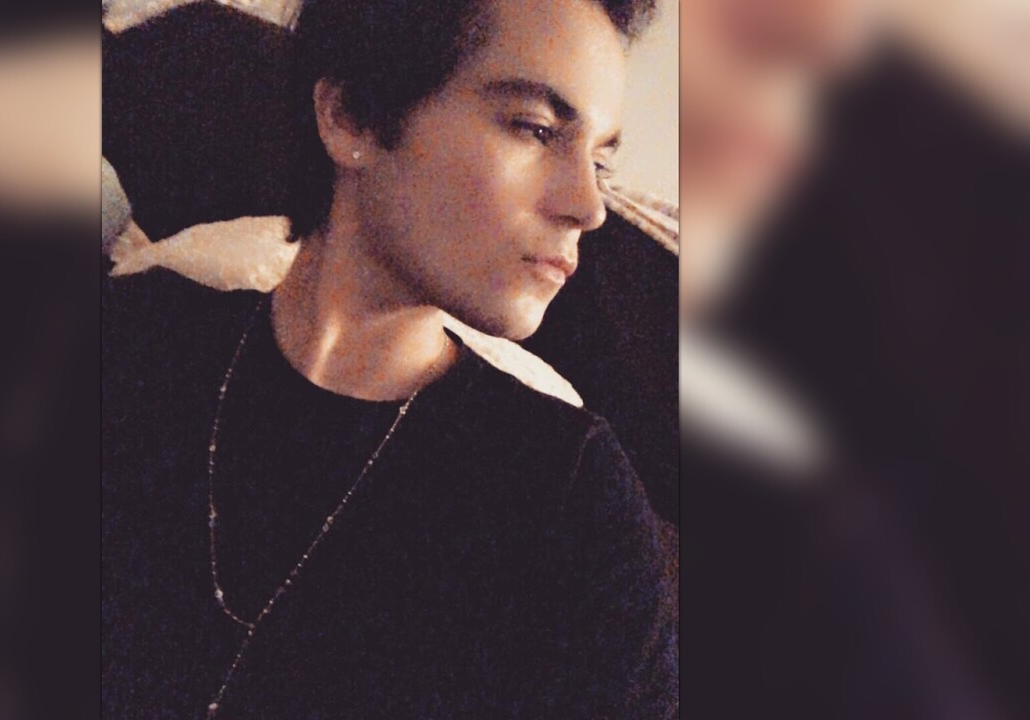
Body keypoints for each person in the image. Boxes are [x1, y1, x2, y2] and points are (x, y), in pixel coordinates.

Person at [101, 0, 676, 718]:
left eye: (599, 160)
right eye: (535, 128)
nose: (589, 206)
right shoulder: (126, 349)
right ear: (352, 118)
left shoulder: (577, 515)